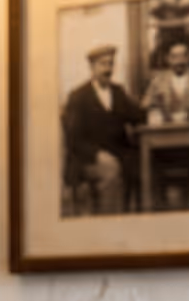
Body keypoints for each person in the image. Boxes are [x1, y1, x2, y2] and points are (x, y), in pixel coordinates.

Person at [62, 44, 144, 215]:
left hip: (120, 153)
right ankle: (110, 224)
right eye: (103, 64)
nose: (108, 69)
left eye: (110, 64)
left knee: (144, 164)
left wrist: (154, 108)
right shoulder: (78, 96)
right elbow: (73, 139)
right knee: (111, 170)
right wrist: (97, 154)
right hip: (88, 159)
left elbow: (137, 115)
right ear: (92, 67)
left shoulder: (118, 91)